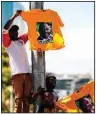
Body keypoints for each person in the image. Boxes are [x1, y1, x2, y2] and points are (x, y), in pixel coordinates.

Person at [2, 10, 32, 113]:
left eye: (16, 31)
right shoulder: (8, 44)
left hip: (28, 74)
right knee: (18, 101)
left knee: (27, 101)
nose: (16, 33)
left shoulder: (21, 40)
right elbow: (4, 29)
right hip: (17, 75)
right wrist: (15, 15)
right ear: (9, 34)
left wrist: (32, 17)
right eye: (13, 31)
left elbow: (31, 31)